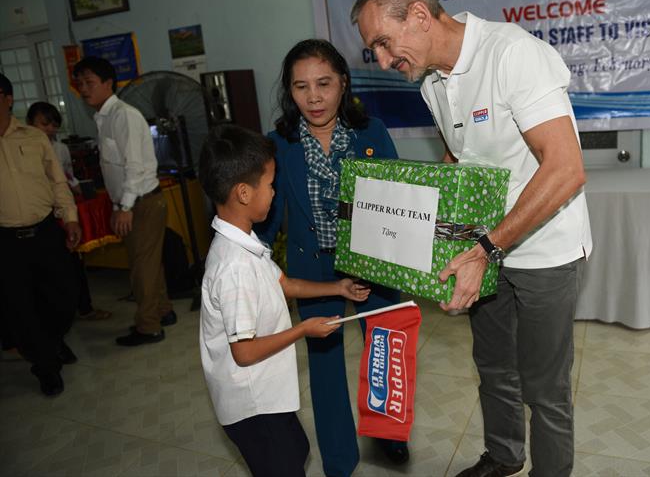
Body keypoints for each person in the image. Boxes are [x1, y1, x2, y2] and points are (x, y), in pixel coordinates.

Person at [352, 0, 593, 477]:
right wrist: (429, 239)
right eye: (371, 49)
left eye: (381, 42)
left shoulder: (511, 54)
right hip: (485, 249)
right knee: (493, 366)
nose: (380, 60)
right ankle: (504, 456)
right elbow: (459, 158)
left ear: (418, 16)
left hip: (546, 250)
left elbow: (566, 168)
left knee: (544, 386)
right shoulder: (432, 84)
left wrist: (484, 246)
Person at [255, 39, 409, 476]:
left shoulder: (371, 132)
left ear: (343, 82)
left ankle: (388, 435)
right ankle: (339, 460)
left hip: (373, 262)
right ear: (290, 90)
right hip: (313, 268)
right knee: (324, 369)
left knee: (385, 352)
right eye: (301, 87)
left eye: (324, 83)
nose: (314, 97)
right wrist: (252, 256)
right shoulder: (278, 144)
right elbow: (267, 214)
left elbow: (399, 200)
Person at [198, 124, 371, 477]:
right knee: (284, 464)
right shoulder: (234, 267)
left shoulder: (246, 241)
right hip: (251, 404)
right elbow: (243, 352)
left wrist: (337, 288)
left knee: (297, 450)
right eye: (271, 185)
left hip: (267, 393)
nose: (275, 193)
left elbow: (286, 284)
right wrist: (303, 329)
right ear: (244, 193)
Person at [73, 57, 175, 346]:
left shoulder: (122, 115)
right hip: (135, 201)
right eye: (80, 83)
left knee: (142, 268)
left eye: (90, 82)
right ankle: (163, 311)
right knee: (150, 264)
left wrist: (124, 206)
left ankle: (148, 327)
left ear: (108, 83)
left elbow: (134, 166)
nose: (83, 89)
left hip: (140, 202)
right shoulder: (104, 117)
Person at [0, 73, 81, 396]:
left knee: (63, 296)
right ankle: (46, 366)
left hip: (45, 230)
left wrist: (71, 217)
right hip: (5, 239)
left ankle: (52, 341)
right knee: (20, 306)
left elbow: (57, 182)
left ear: (8, 98)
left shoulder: (34, 138)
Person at [26, 101, 112, 322]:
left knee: (73, 264)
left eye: (53, 125)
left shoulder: (61, 148)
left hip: (63, 215)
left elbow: (65, 177)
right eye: (44, 124)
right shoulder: (23, 148)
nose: (49, 130)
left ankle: (84, 307)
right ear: (30, 124)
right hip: (37, 217)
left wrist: (75, 189)